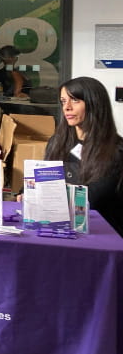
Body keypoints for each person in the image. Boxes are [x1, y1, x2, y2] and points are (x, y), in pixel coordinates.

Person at [45, 76, 123, 237]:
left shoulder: (116, 150)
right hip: (61, 229)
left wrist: (47, 195)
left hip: (103, 235)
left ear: (94, 104)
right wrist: (26, 191)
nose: (66, 107)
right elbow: (43, 177)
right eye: (63, 101)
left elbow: (94, 198)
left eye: (74, 100)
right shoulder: (57, 142)